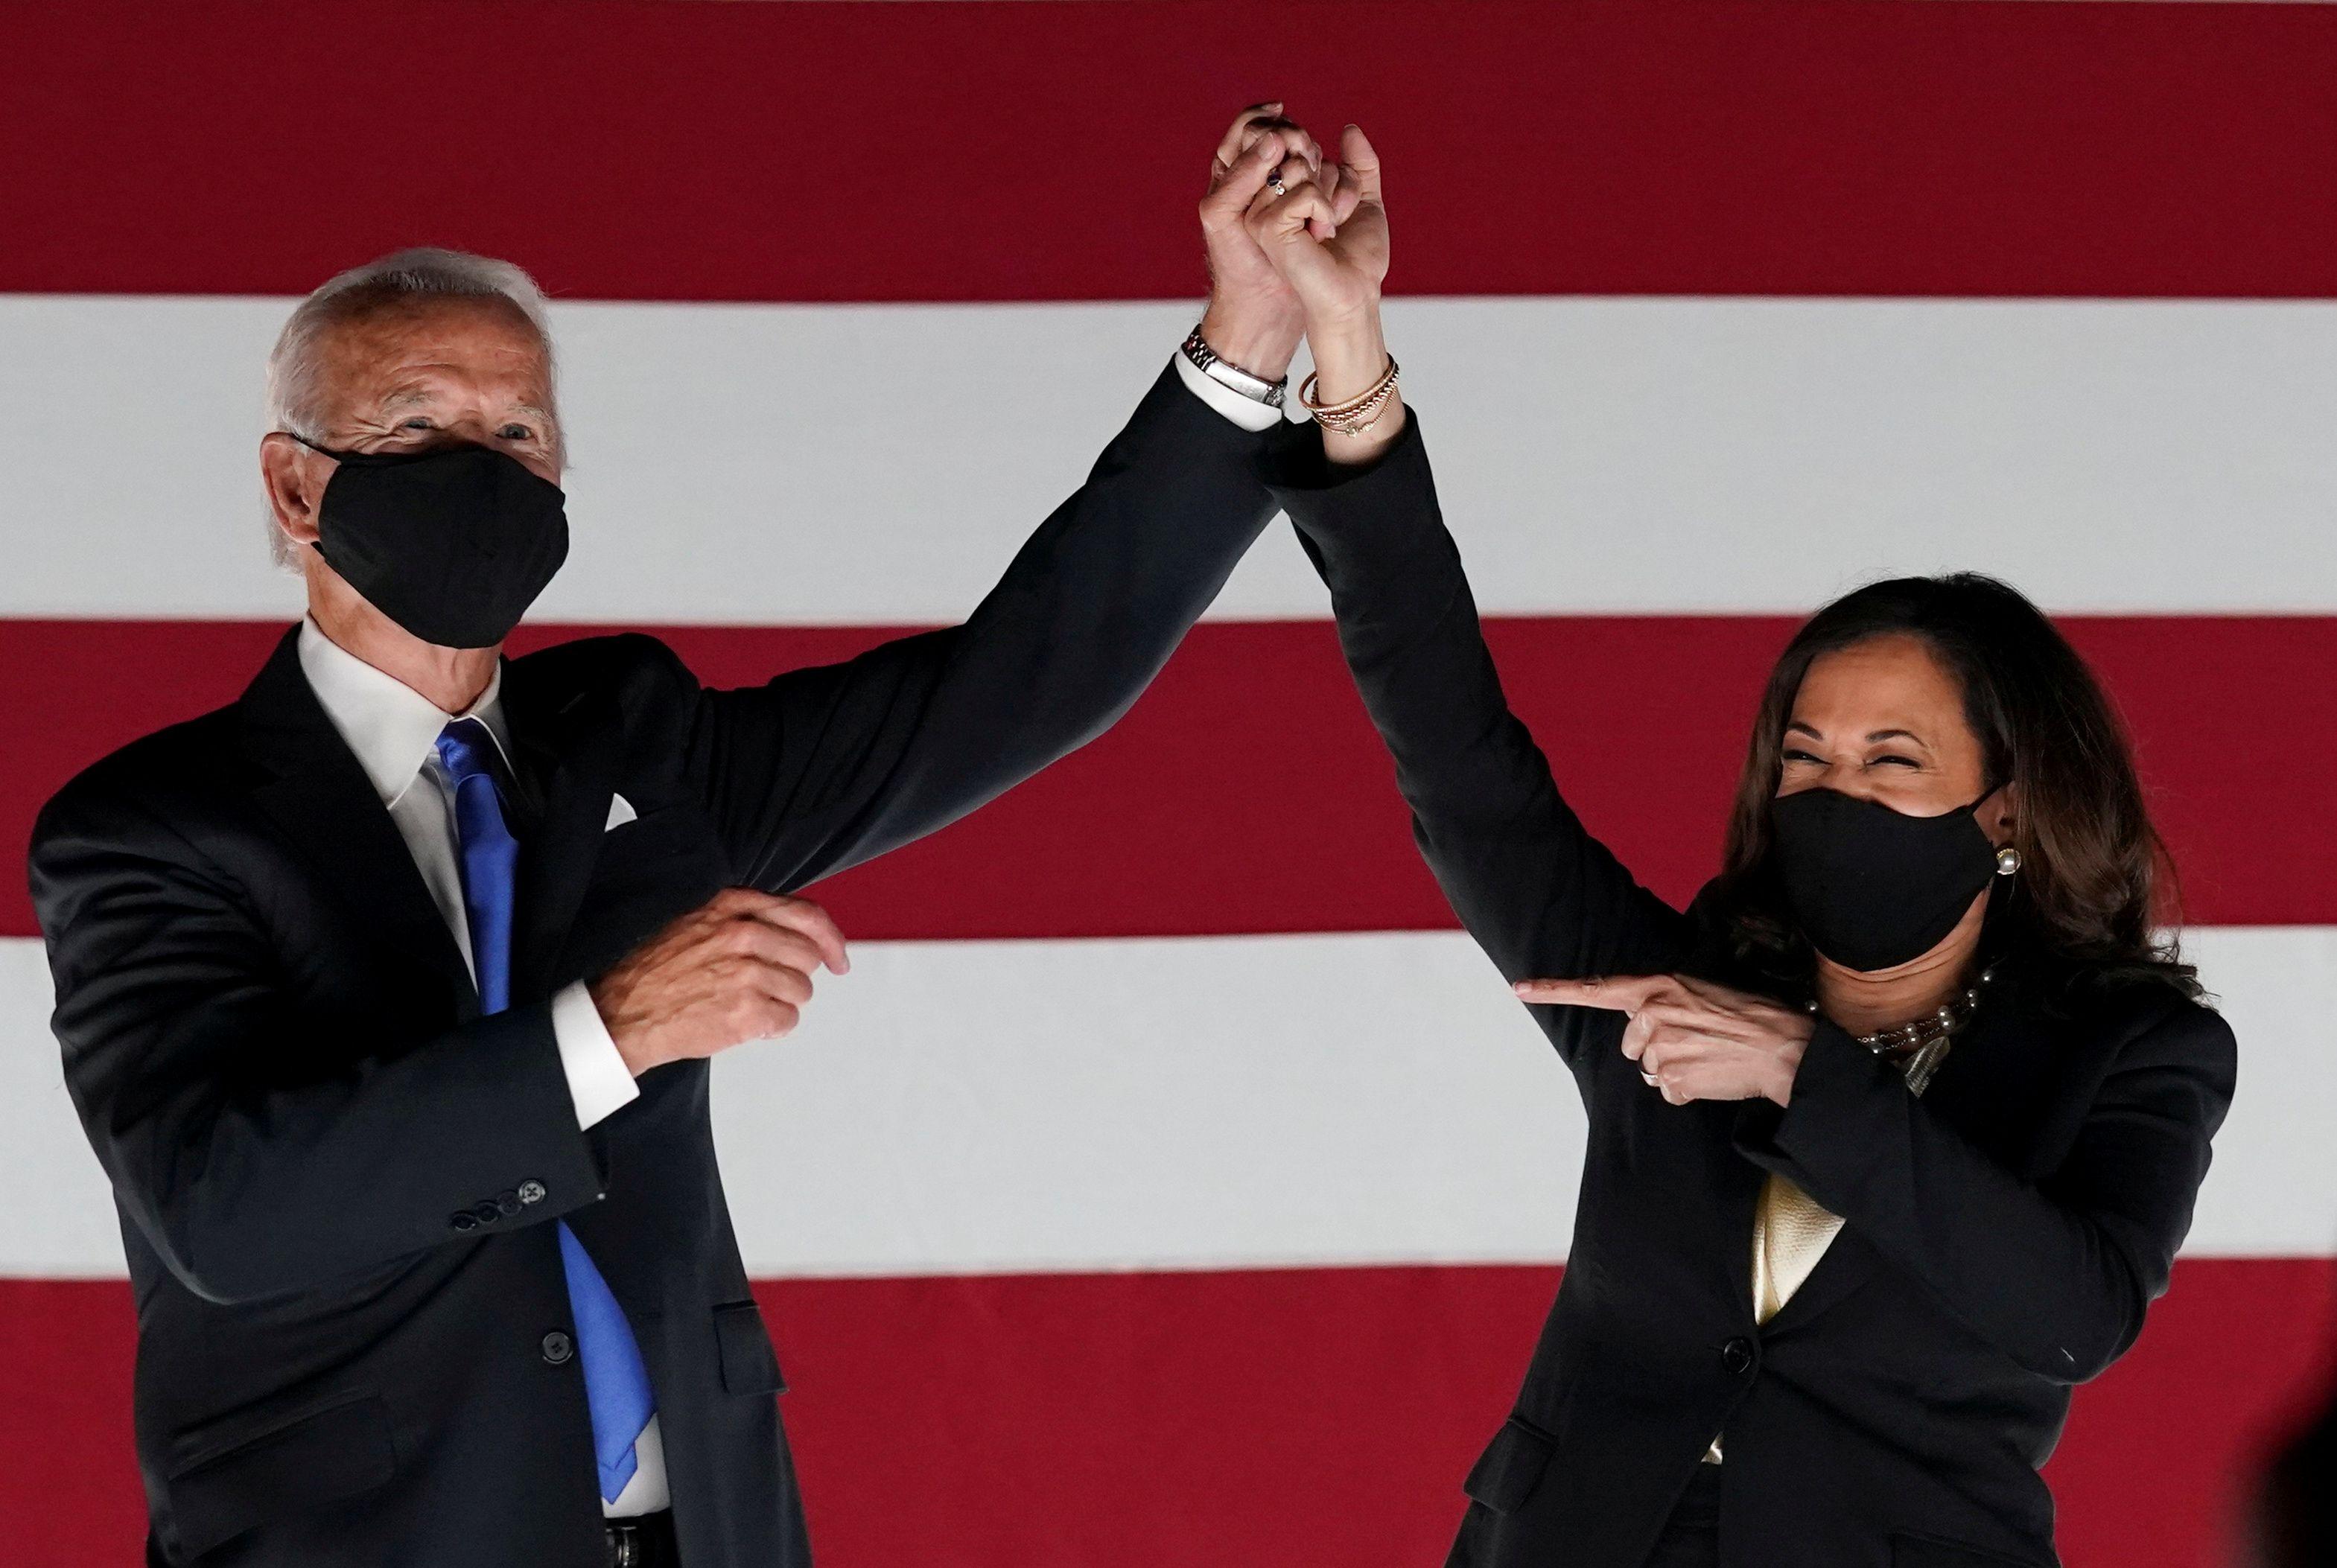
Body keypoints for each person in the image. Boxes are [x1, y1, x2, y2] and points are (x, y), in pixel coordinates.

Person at [28, 106, 1336, 1568]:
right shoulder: (149, 831)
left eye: (517, 431)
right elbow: (228, 1208)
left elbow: (1025, 677)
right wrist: (609, 1033)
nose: (480, 461)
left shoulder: (638, 741)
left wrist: (1252, 333)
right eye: (415, 425)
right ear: (294, 485)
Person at [1240, 127, 2238, 1567]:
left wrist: (1794, 1070)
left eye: (1893, 760)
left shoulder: (2134, 1053)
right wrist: (1351, 358)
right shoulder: (1663, 984)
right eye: (1804, 756)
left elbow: (2072, 1312)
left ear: (2007, 807)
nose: (1831, 790)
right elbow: (1460, 767)